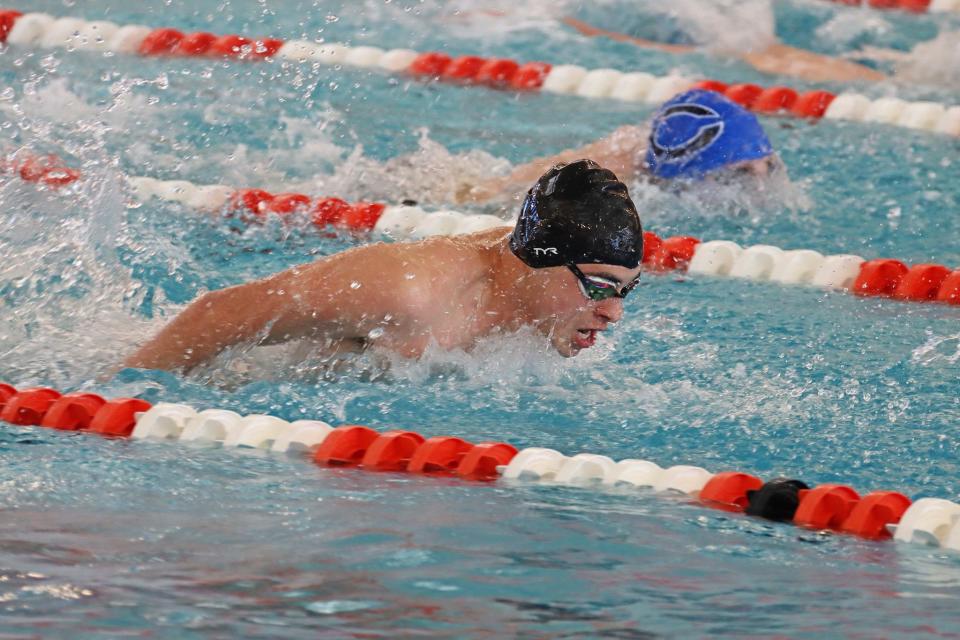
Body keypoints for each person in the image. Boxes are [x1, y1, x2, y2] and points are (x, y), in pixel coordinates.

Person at [123, 160, 645, 372]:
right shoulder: (409, 292)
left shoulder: (543, 306)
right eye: (601, 288)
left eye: (627, 290)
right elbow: (218, 313)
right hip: (236, 381)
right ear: (539, 264)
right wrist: (120, 399)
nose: (613, 315)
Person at [458, 88, 780, 204]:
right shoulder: (597, 180)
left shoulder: (656, 161)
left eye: (768, 166)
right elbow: (489, 194)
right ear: (685, 170)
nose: (762, 185)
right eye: (741, 175)